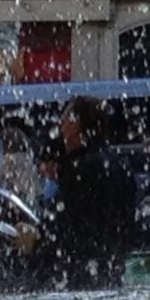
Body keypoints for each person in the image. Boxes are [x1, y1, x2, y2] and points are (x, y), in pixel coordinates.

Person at [47, 98, 138, 288]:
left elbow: (70, 223)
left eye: (66, 118)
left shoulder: (81, 168)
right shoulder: (116, 162)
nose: (60, 125)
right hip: (112, 264)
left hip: (82, 268)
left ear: (77, 125)